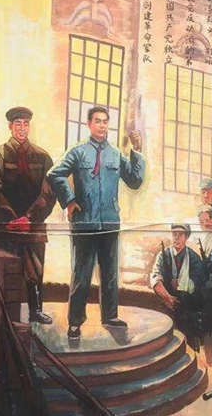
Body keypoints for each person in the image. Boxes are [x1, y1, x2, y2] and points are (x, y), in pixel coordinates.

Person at [48, 105, 145, 341]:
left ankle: (110, 316)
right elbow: (55, 174)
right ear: (89, 124)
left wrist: (137, 151)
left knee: (110, 273)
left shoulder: (115, 154)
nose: (102, 125)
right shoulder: (78, 152)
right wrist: (69, 200)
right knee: (82, 274)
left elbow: (134, 181)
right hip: (84, 223)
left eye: (105, 121)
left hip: (110, 222)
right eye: (97, 121)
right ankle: (75, 322)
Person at [0, 106, 57, 326]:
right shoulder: (0, 154)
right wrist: (11, 218)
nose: (22, 128)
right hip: (6, 227)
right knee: (6, 268)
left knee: (35, 269)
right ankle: (5, 313)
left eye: (26, 124)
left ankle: (36, 311)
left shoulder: (42, 156)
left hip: (33, 226)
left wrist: (29, 218)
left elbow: (48, 192)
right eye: (18, 124)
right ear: (10, 126)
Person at [150, 223, 207, 346]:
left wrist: (181, 284)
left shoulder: (194, 258)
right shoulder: (163, 255)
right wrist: (168, 297)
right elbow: (155, 277)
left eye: (180, 235)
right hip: (167, 301)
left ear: (186, 237)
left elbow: (198, 283)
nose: (176, 238)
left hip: (188, 304)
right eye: (174, 234)